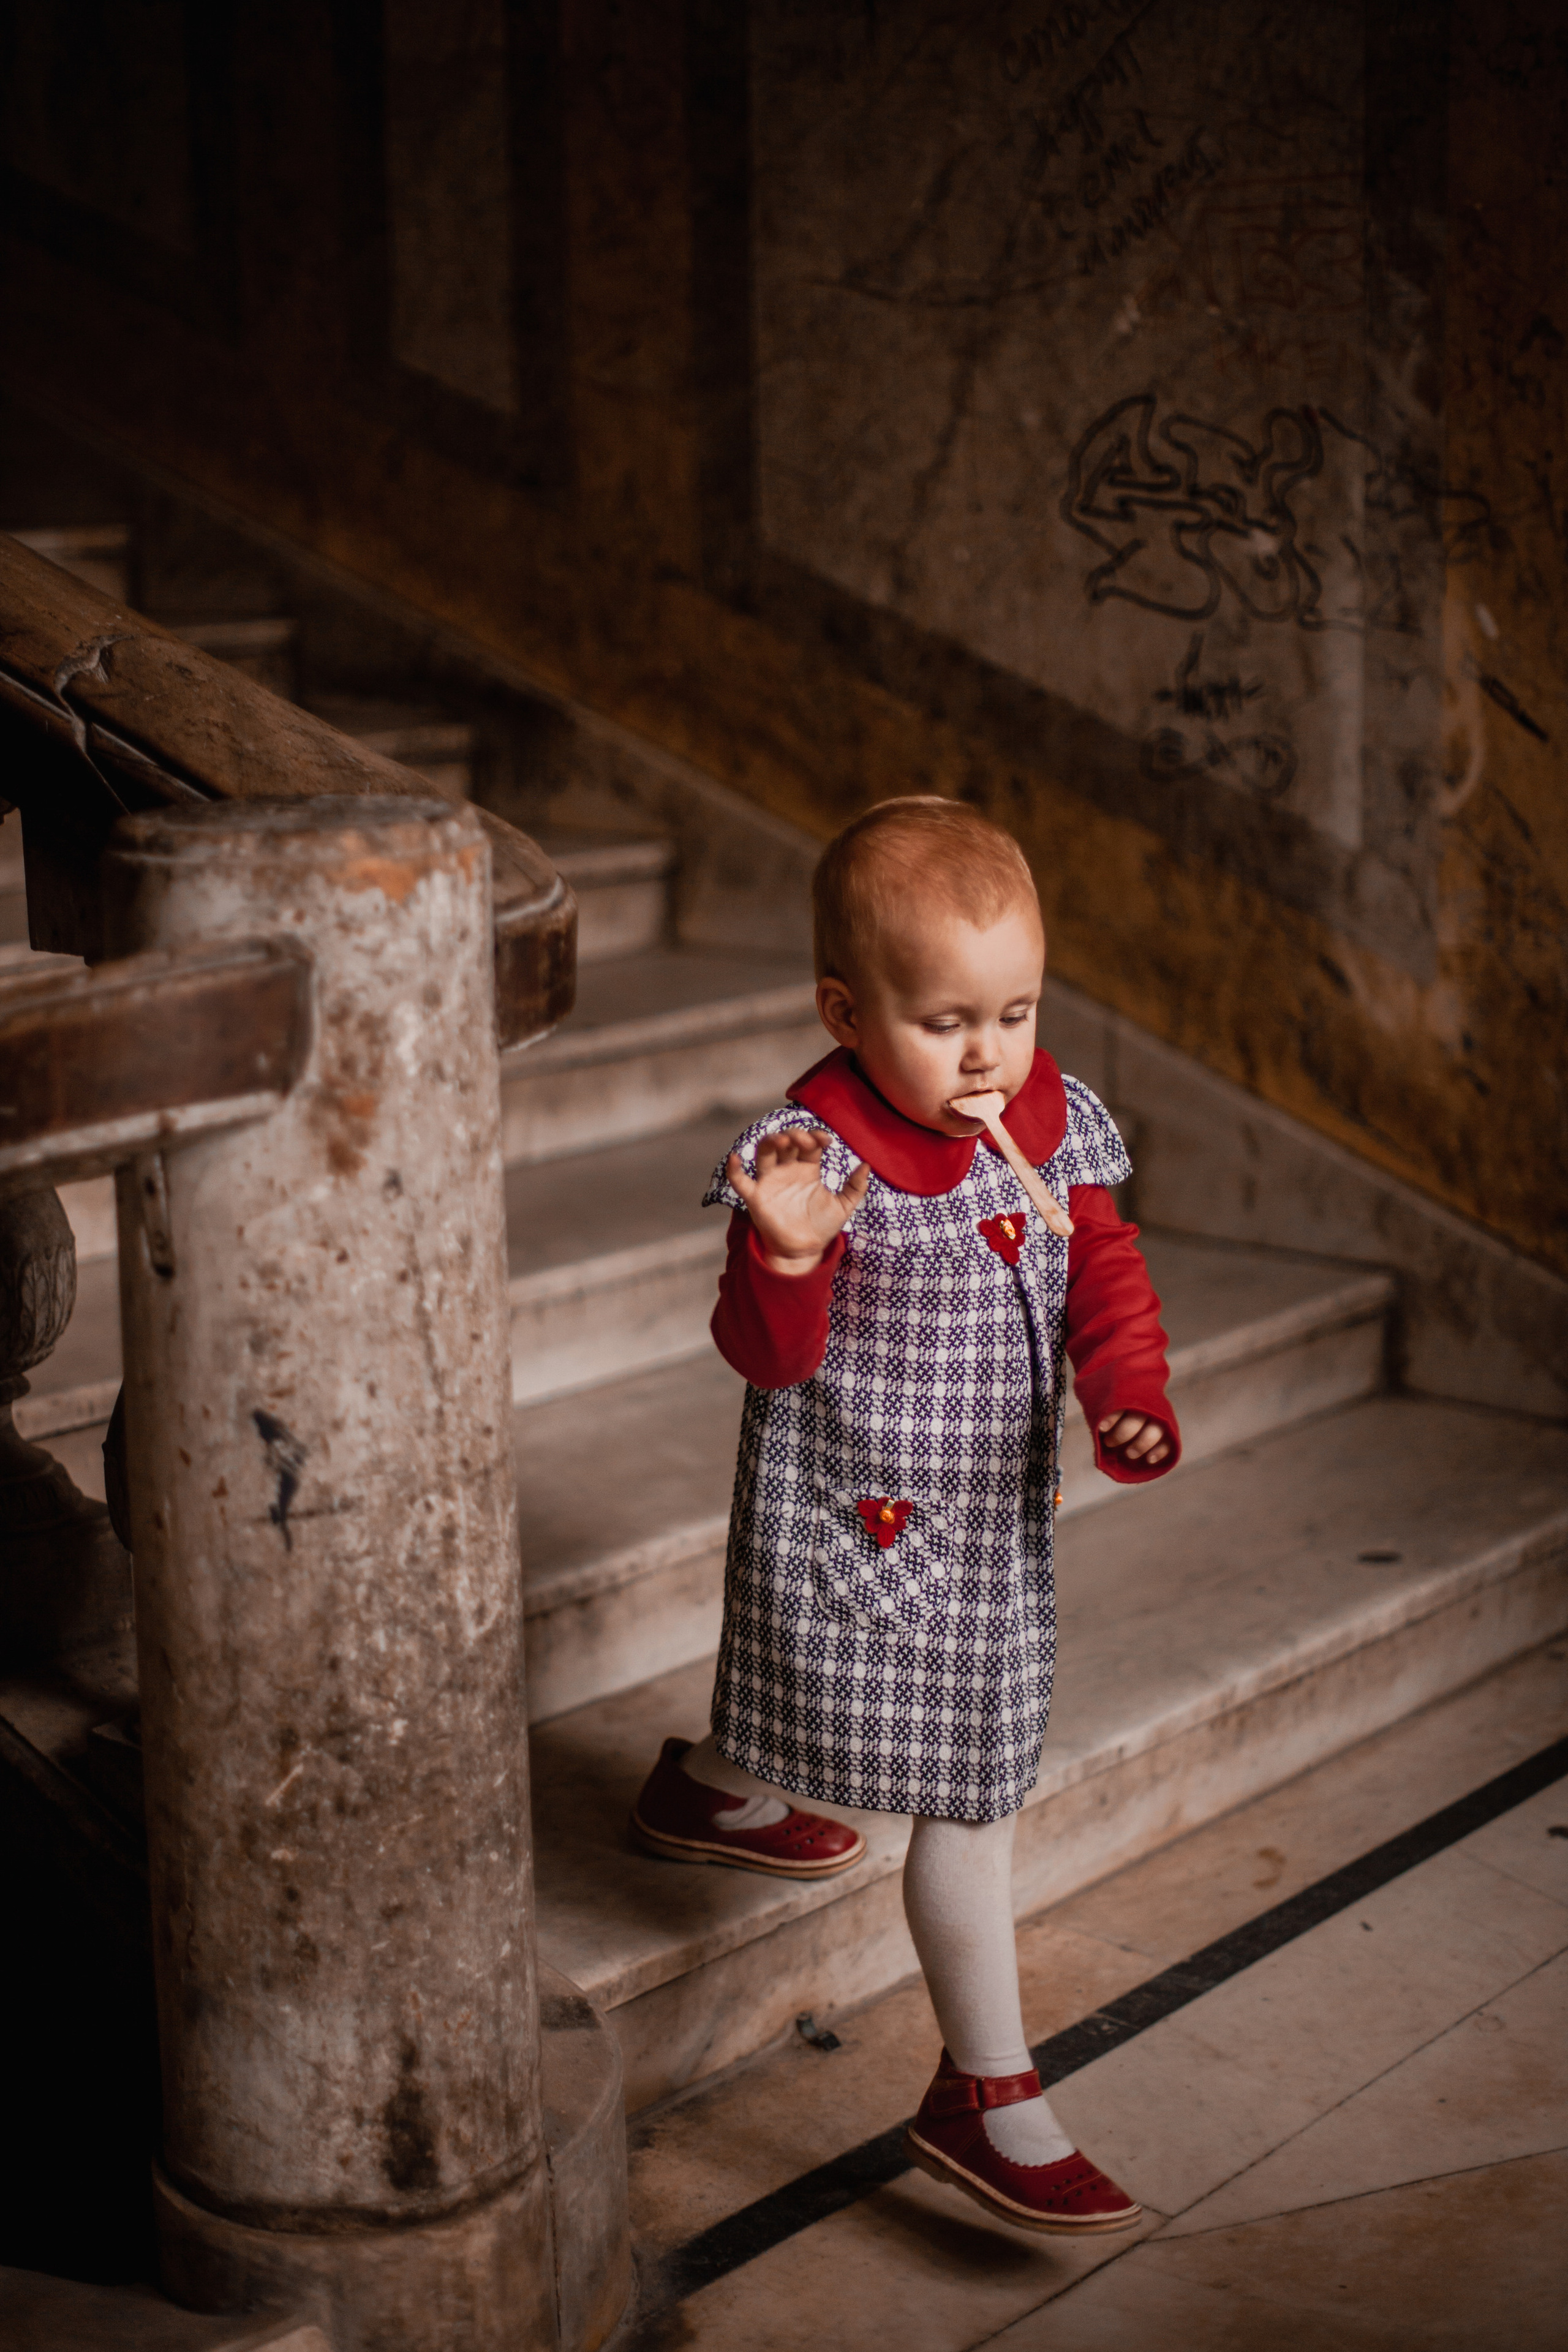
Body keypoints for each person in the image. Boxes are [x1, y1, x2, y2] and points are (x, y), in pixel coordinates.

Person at [630, 796, 1178, 2235]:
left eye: (1015, 1012)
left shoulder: (1050, 1119)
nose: (989, 1053)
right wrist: (784, 1259)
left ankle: (707, 1784)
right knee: (968, 1790)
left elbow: (1102, 1273)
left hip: (988, 1522)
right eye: (944, 1023)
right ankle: (983, 2092)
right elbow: (764, 1359)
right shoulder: (807, 1160)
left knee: (860, 1713)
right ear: (844, 1012)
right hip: (856, 1509)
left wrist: (1126, 1390)